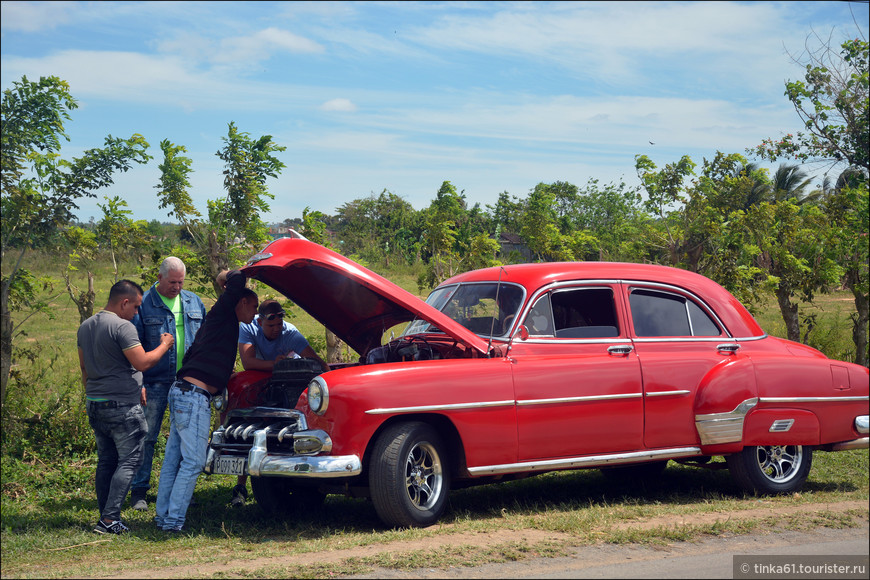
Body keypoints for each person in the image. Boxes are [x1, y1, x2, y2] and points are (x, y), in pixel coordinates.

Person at [153, 269, 258, 533]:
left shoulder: (220, 323)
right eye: (254, 307)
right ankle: (173, 522)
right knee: (193, 462)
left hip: (182, 391)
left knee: (174, 460)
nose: (255, 315)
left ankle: (163, 517)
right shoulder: (224, 312)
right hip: (193, 397)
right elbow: (234, 282)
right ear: (241, 302)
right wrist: (232, 272)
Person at [77, 280, 175, 534]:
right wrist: (164, 344)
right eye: (135, 307)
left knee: (106, 461)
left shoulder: (85, 326)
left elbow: (84, 368)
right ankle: (110, 520)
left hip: (95, 403)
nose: (136, 313)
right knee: (131, 459)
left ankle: (104, 516)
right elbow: (142, 362)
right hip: (121, 406)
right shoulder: (123, 327)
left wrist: (95, 393)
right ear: (124, 302)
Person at [229, 299, 329, 506]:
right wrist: (274, 364)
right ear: (259, 322)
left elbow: (317, 362)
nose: (276, 329)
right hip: (261, 381)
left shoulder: (290, 333)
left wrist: (329, 374)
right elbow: (248, 362)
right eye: (270, 325)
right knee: (250, 429)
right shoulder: (247, 327)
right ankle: (240, 484)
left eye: (279, 325)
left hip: (287, 386)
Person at [128, 257, 206, 511]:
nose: (177, 287)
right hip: (154, 381)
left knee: (185, 438)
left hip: (188, 382)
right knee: (147, 437)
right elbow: (133, 346)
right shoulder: (144, 304)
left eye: (181, 282)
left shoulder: (193, 301)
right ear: (159, 277)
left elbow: (204, 339)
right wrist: (137, 382)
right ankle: (139, 491)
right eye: (172, 282)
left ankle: (182, 490)